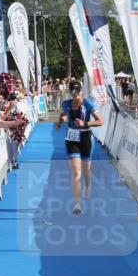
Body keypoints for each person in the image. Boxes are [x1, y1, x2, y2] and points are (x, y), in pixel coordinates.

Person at [54, 80, 103, 216]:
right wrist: (59, 123)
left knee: (86, 171)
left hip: (86, 137)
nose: (76, 96)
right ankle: (77, 203)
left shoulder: (88, 104)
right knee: (77, 172)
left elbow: (101, 121)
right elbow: (63, 114)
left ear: (82, 91)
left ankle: (87, 184)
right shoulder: (66, 104)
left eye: (78, 93)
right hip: (72, 138)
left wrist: (85, 122)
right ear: (70, 93)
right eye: (74, 94)